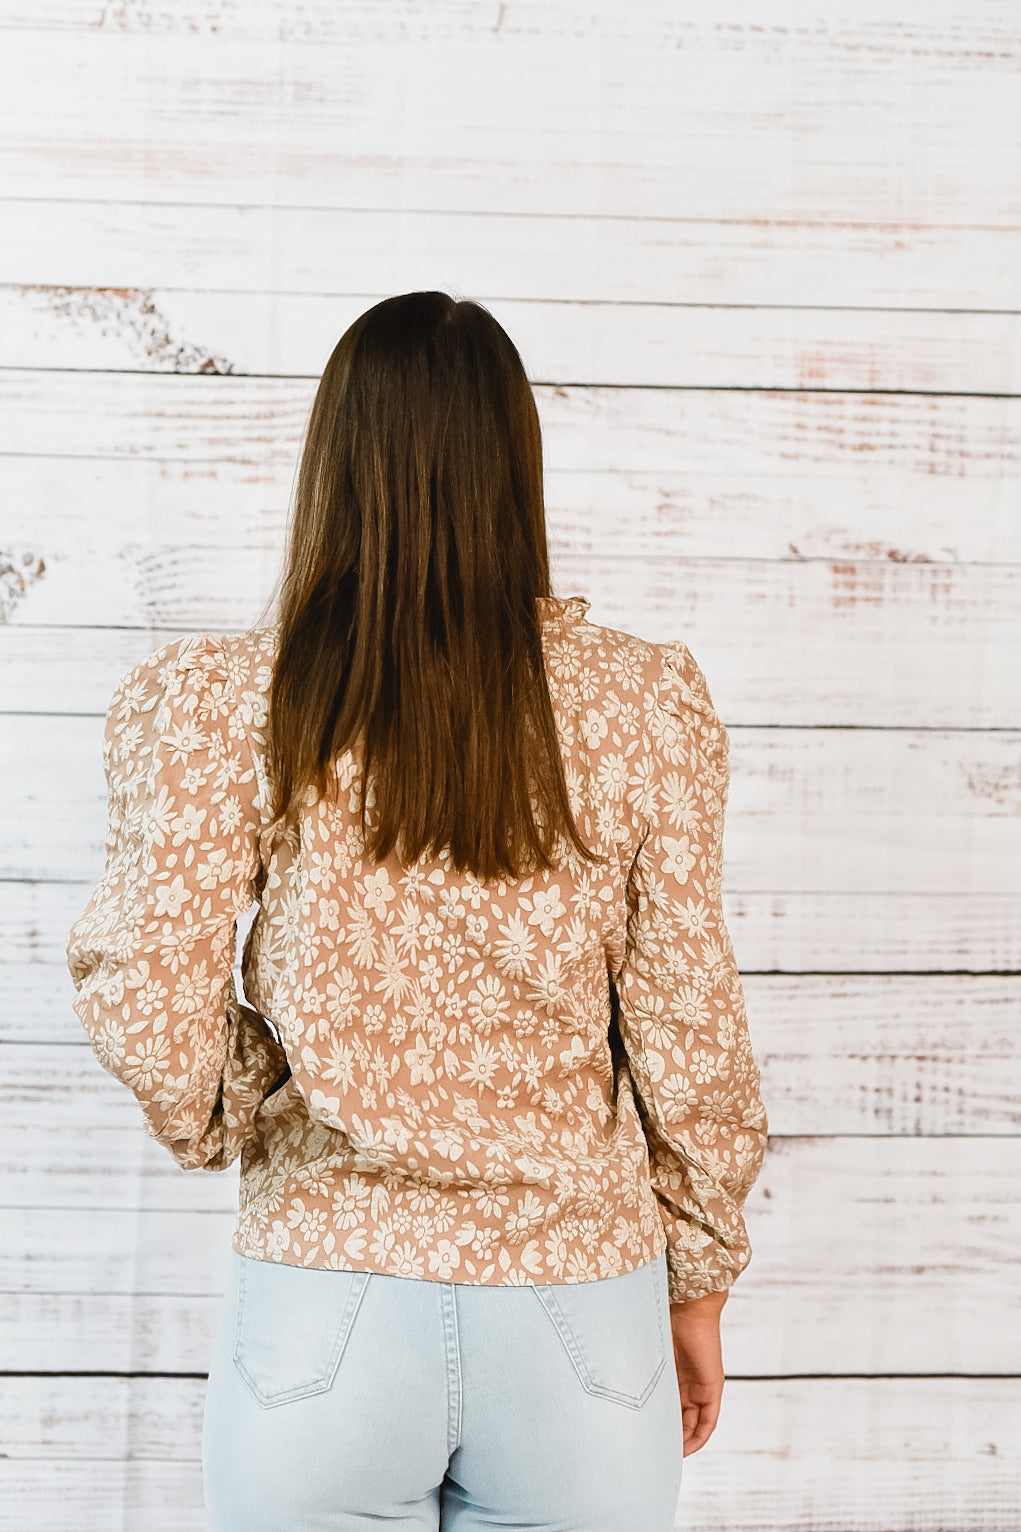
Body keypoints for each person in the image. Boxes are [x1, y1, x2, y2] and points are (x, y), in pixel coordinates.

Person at [65, 291, 769, 1531]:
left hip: (323, 1305)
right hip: (577, 1305)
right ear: (514, 466)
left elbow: (142, 984)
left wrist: (255, 1092)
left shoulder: (238, 701)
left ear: (336, 460)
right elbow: (689, 1028)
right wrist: (699, 1278)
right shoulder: (637, 706)